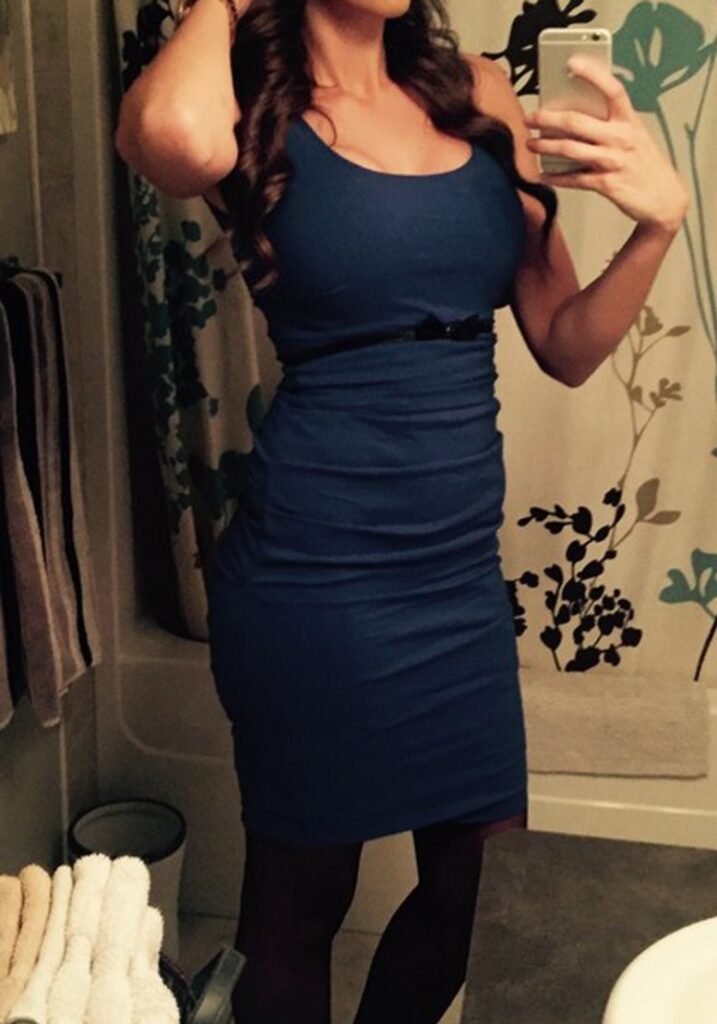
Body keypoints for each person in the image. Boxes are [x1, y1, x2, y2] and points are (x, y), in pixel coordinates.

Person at [115, 2, 688, 1021]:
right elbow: (168, 137)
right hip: (312, 577)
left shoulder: (479, 91)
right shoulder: (251, 108)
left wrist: (658, 227)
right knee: (301, 896)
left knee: (479, 890)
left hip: (455, 584)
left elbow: (563, 341)